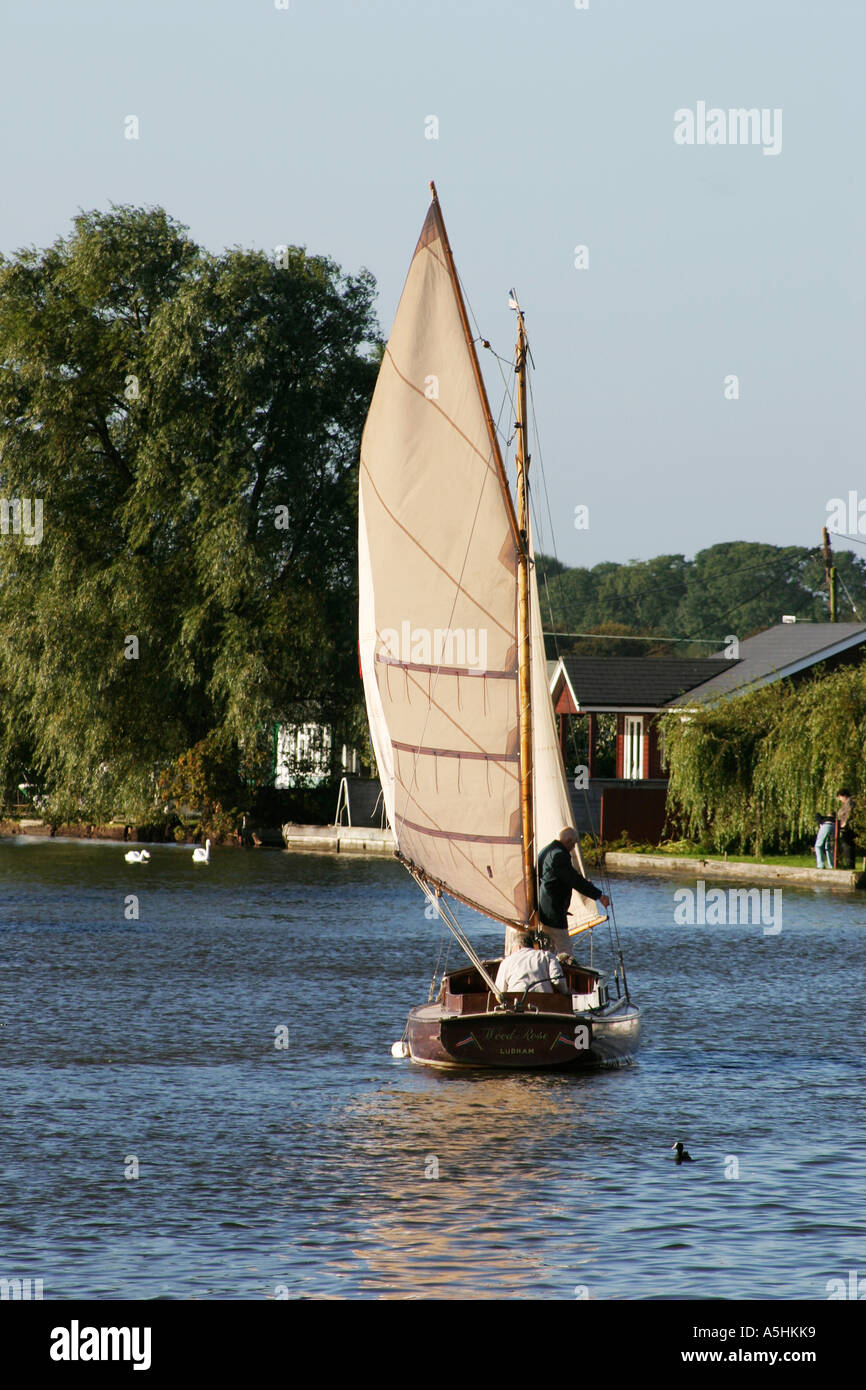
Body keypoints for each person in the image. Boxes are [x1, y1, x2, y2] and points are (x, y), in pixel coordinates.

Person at [535, 827, 611, 956]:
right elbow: (574, 880)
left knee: (547, 952)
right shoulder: (559, 855)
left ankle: (546, 972)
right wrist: (599, 896)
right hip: (553, 913)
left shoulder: (546, 850)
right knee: (566, 951)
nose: (573, 847)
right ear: (569, 841)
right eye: (574, 844)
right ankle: (564, 975)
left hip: (542, 911)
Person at [494, 931, 570, 996]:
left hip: (517, 1003)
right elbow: (558, 980)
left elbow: (499, 991)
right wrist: (566, 993)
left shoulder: (506, 961)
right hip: (544, 1002)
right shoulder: (547, 955)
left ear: (519, 947)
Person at [836, 789, 856, 869]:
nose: (839, 799)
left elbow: (849, 813)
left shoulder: (849, 802)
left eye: (840, 797)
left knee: (847, 845)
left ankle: (849, 864)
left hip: (847, 828)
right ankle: (848, 863)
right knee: (845, 846)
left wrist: (845, 824)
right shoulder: (847, 803)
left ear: (843, 795)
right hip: (844, 827)